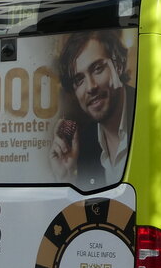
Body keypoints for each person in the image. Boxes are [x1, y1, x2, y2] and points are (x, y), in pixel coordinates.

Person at [49, 30, 136, 189]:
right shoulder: (83, 144)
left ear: (117, 66)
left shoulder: (149, 114)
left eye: (97, 69)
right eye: (79, 80)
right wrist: (66, 178)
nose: (90, 87)